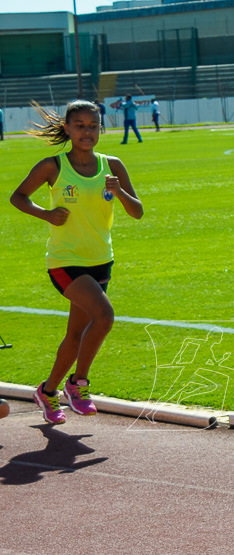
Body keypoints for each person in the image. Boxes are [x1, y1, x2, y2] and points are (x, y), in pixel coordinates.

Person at [10, 100, 144, 424]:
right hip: (65, 261)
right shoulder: (53, 166)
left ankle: (48, 391)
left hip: (101, 261)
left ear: (101, 129)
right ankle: (77, 382)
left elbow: (137, 211)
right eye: (80, 125)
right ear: (68, 129)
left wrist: (120, 192)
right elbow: (18, 196)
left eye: (93, 125)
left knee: (75, 336)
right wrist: (46, 214)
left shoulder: (112, 165)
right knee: (105, 315)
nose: (87, 131)